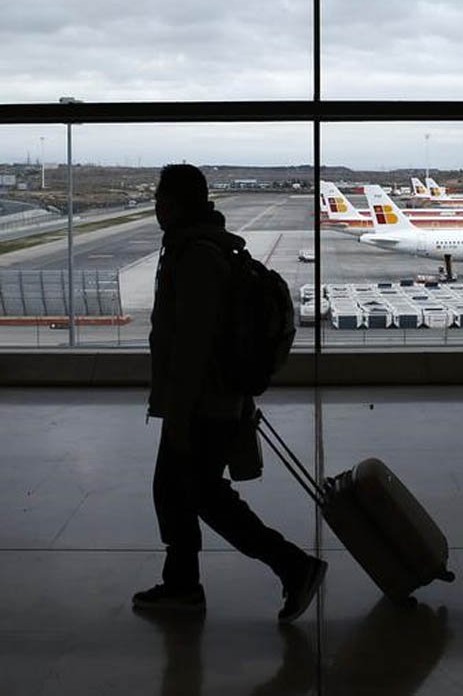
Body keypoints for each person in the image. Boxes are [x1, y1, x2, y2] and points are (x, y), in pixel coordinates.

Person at [133, 164, 326, 623]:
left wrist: (178, 413)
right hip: (208, 400)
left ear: (178, 204)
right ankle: (183, 586)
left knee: (205, 497)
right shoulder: (200, 247)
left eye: (161, 197)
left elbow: (193, 348)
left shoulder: (197, 257)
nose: (156, 206)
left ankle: (294, 567)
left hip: (202, 404)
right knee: (174, 492)